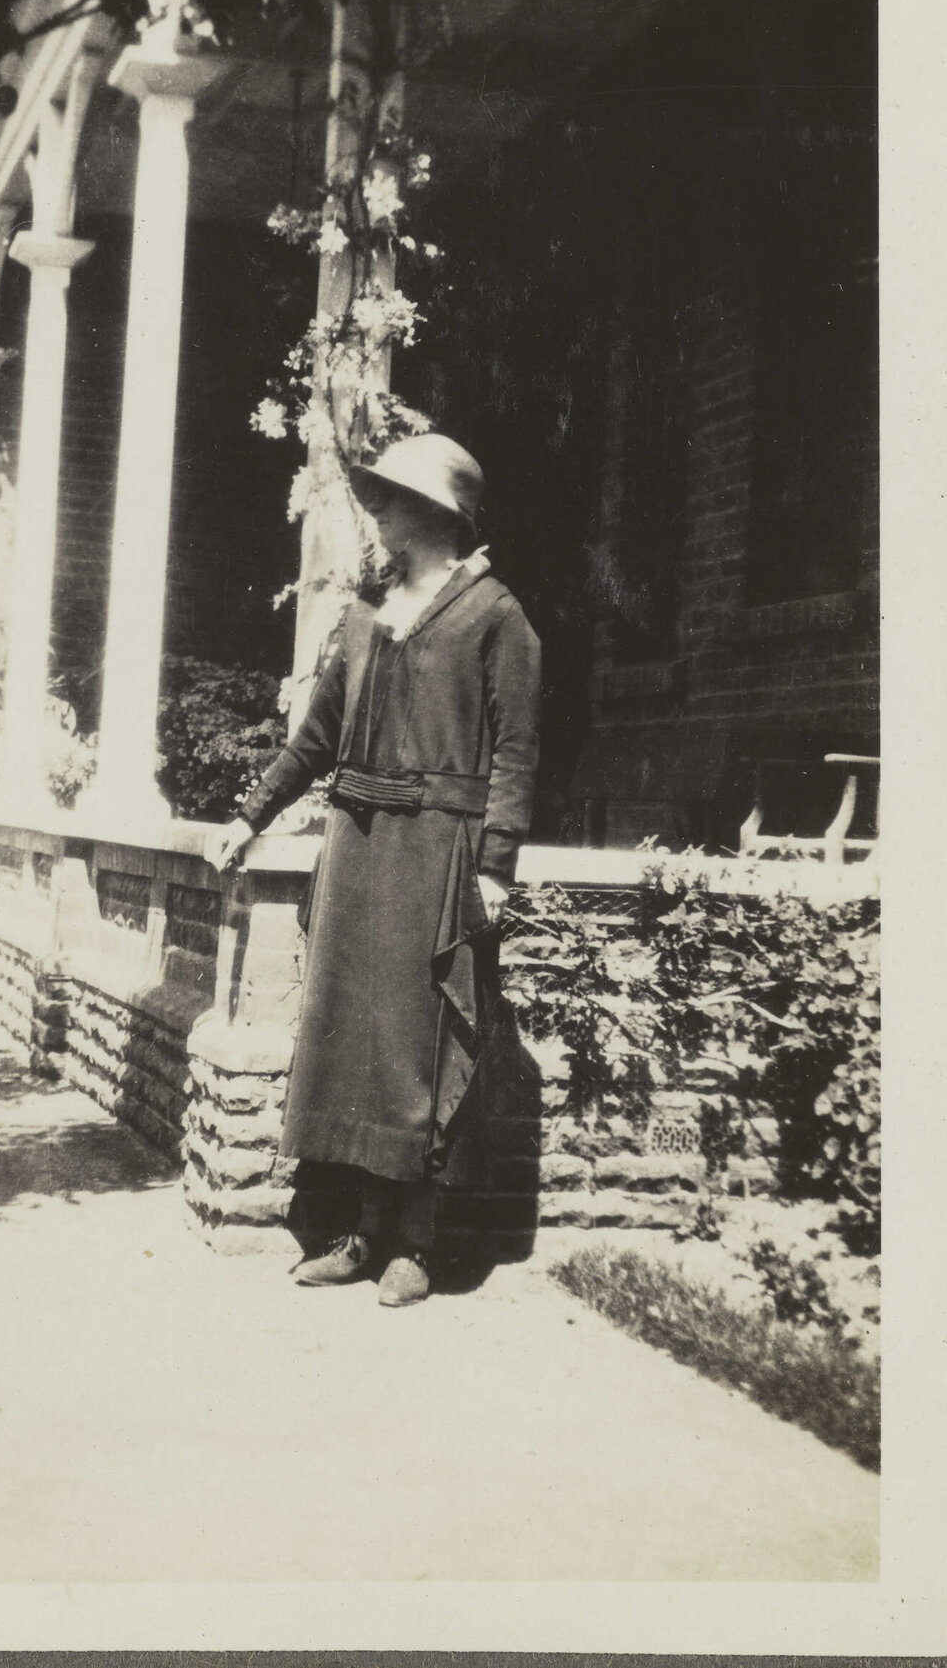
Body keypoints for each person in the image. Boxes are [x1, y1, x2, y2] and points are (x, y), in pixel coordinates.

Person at [207, 433, 541, 1308]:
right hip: (355, 852)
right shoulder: (360, 618)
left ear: (435, 514)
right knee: (352, 1038)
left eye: (391, 498)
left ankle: (417, 1245)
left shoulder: (496, 616)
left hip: (438, 852)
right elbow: (314, 739)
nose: (378, 511)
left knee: (417, 1047)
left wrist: (495, 864)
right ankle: (357, 1232)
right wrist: (249, 815)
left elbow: (515, 752)